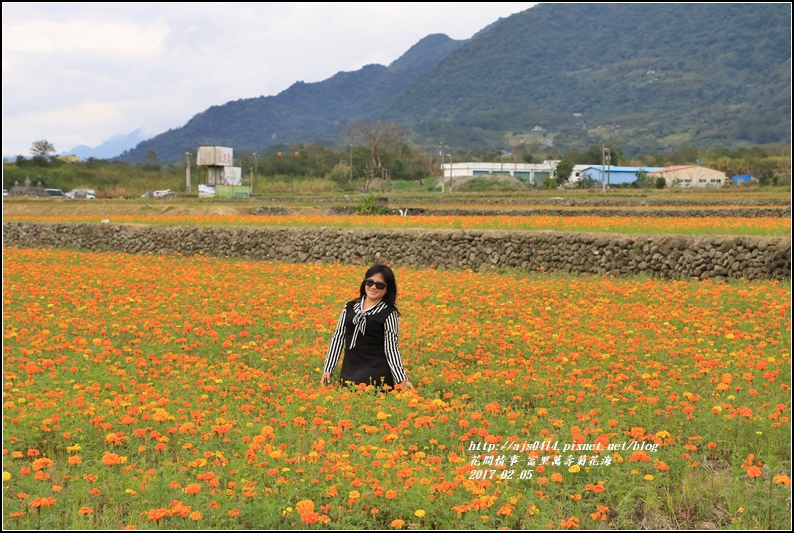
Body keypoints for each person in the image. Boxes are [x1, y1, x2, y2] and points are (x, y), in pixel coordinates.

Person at [321, 264, 413, 390]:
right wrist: (328, 369)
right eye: (370, 282)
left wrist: (401, 379)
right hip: (350, 369)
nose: (373, 287)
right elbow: (338, 337)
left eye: (379, 285)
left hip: (375, 371)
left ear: (388, 288)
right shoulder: (349, 306)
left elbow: (391, 348)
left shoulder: (389, 313)